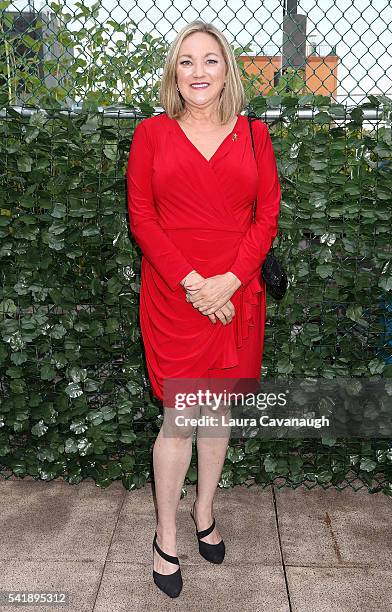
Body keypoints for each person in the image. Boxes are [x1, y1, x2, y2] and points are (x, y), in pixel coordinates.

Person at [126, 20, 281, 598]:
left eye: (210, 60)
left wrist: (231, 281)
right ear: (174, 73)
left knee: (217, 416)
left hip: (237, 295)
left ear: (227, 71)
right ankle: (166, 533)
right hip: (176, 295)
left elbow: (266, 216)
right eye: (186, 61)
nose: (198, 71)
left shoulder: (255, 135)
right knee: (179, 419)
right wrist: (196, 283)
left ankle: (204, 512)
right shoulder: (150, 135)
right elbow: (142, 217)